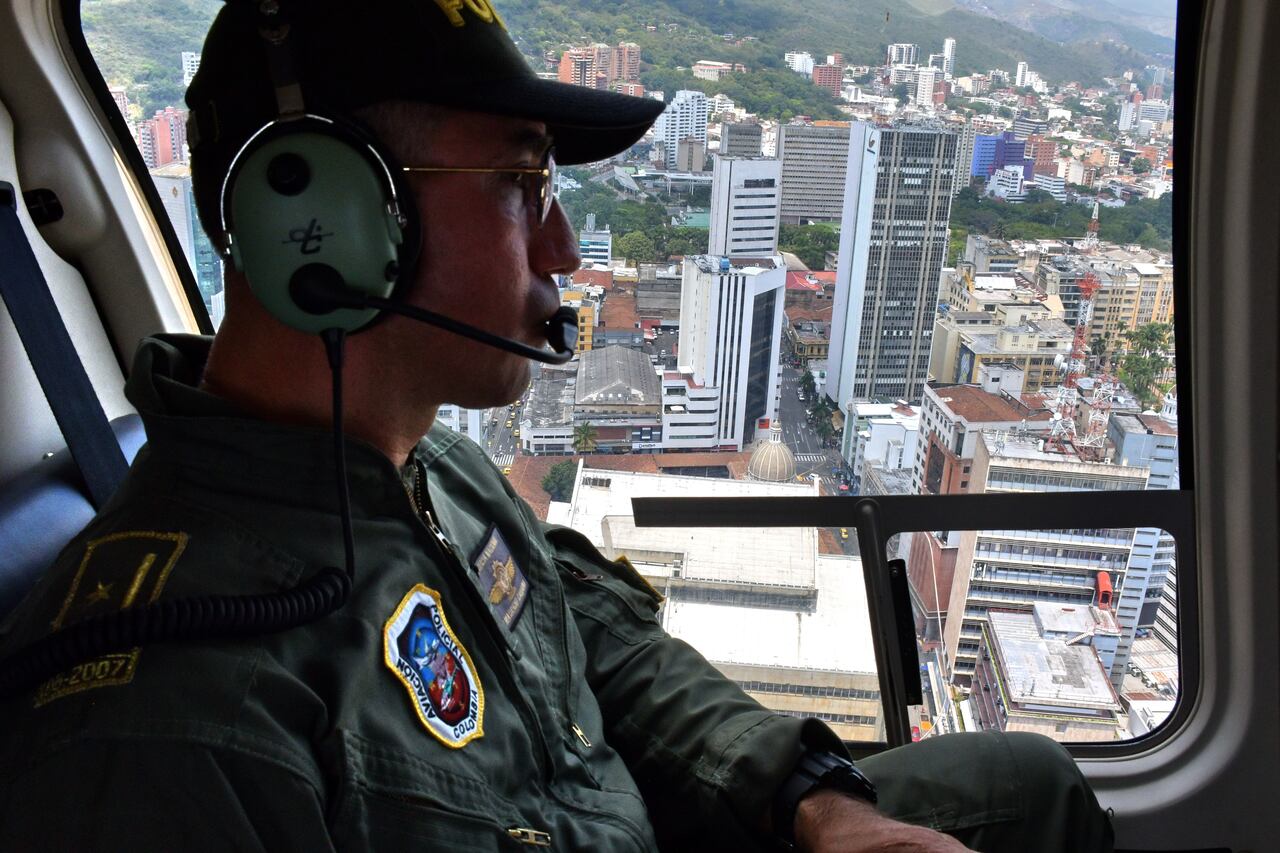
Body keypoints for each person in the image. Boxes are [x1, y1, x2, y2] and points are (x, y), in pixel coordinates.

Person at [0, 1, 1114, 850]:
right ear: (325, 221)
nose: (567, 246)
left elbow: (596, 638)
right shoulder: (165, 729)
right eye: (521, 182)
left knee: (1029, 790)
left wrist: (809, 800)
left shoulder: (429, 465)